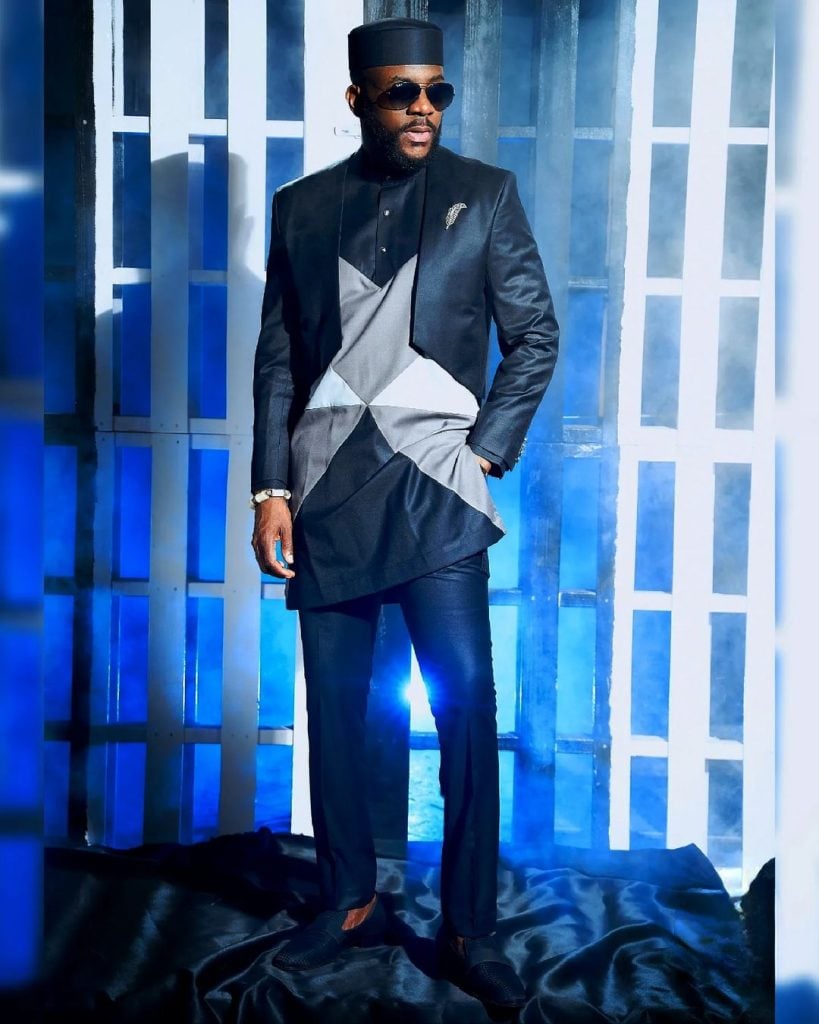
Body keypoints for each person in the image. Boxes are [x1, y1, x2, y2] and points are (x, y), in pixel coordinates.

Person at [250, 16, 558, 1011]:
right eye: (401, 93)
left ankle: (468, 925)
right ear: (357, 100)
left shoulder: (486, 193)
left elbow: (536, 335)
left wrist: (486, 450)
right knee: (335, 711)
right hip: (326, 492)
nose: (423, 109)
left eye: (436, 91)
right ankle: (347, 899)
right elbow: (278, 360)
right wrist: (269, 491)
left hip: (437, 492)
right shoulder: (301, 208)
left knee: (465, 707)